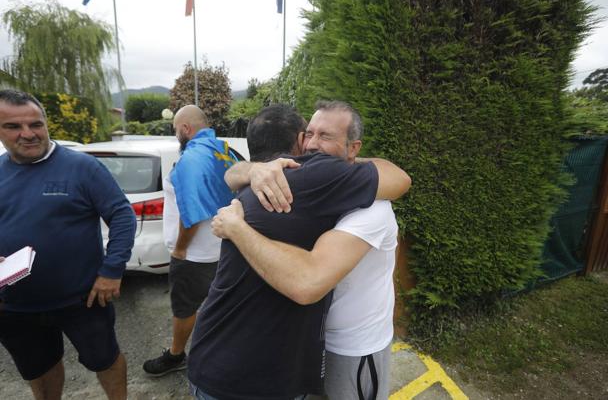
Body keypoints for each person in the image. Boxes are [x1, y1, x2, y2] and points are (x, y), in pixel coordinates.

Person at [187, 104, 409, 400]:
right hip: (253, 379)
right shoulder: (307, 177)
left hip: (213, 360)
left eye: (325, 136)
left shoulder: (260, 183)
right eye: (309, 134)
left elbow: (231, 175)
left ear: (353, 148)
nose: (314, 143)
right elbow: (401, 179)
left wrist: (238, 224)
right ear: (296, 142)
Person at [0, 89, 136, 400]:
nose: (28, 134)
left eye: (36, 124)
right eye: (13, 127)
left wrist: (112, 271)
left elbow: (122, 214)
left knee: (105, 359)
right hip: (15, 305)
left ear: (46, 124)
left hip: (84, 300)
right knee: (40, 368)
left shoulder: (81, 167)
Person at [143, 105, 236, 376]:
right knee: (220, 303)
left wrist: (181, 248)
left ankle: (175, 355)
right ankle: (223, 350)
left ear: (185, 129)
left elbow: (191, 213)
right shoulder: (222, 150)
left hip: (195, 255)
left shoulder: (191, 159)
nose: (176, 136)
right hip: (223, 246)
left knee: (184, 307)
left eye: (175, 130)